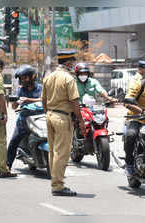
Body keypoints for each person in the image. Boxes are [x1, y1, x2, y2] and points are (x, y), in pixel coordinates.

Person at [42, 50, 86, 196]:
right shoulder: (68, 78)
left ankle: (55, 182)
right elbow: (75, 101)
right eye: (72, 62)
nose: (73, 64)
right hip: (62, 118)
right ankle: (58, 186)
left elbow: (44, 100)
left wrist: (48, 113)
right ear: (68, 62)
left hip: (50, 115)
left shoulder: (49, 77)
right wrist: (80, 121)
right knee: (62, 153)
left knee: (53, 151)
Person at [6, 65, 42, 170]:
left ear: (32, 77)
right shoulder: (20, 90)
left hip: (40, 119)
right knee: (14, 141)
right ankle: (7, 165)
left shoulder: (40, 88)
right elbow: (14, 107)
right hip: (24, 120)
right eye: (21, 78)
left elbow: (44, 99)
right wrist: (16, 101)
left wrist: (28, 99)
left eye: (25, 77)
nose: (23, 80)